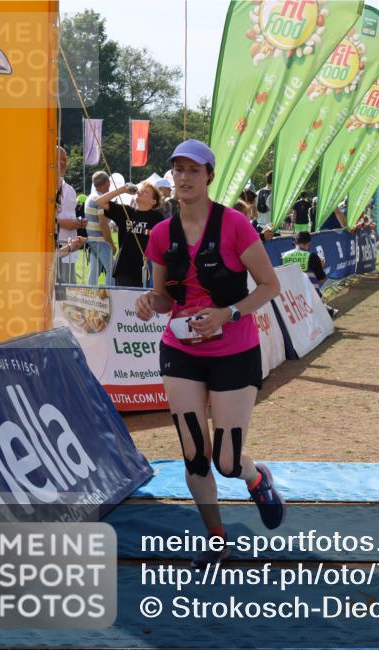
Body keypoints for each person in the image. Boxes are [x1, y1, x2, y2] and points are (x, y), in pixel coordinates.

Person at [134, 139, 284, 567]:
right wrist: (150, 302)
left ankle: (257, 479)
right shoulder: (162, 233)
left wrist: (227, 313)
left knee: (227, 461)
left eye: (193, 170)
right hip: (180, 350)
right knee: (194, 452)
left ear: (209, 176)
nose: (183, 177)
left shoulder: (235, 224)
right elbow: (165, 299)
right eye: (177, 169)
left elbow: (270, 286)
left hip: (235, 349)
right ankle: (216, 539)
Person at [97, 181, 166, 288]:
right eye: (140, 189)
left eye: (145, 192)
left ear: (153, 201)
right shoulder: (125, 211)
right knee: (124, 304)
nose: (140, 192)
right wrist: (123, 189)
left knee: (143, 304)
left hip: (145, 270)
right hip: (124, 269)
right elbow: (100, 201)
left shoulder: (157, 217)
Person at [282, 231, 338, 318]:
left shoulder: (284, 256)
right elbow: (322, 278)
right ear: (308, 244)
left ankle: (325, 309)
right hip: (309, 295)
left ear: (295, 243)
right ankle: (324, 309)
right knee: (318, 290)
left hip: (290, 294)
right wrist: (321, 266)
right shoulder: (312, 256)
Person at [55, 146, 85, 285]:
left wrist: (79, 222)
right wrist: (61, 223)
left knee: (68, 293)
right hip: (54, 250)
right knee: (55, 293)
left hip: (70, 249)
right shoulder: (42, 186)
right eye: (58, 159)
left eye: (65, 159)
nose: (62, 162)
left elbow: (69, 216)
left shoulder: (70, 190)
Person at [84, 172, 116, 285]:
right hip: (100, 241)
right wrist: (111, 244)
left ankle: (89, 298)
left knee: (94, 271)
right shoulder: (100, 199)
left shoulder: (90, 197)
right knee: (112, 270)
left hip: (92, 240)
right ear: (107, 183)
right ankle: (110, 297)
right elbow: (103, 223)